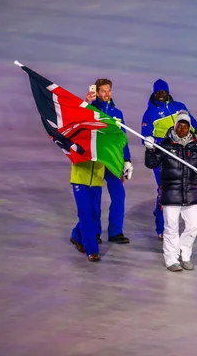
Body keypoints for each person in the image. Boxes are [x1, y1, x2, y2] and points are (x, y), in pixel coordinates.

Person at [144, 111, 197, 271]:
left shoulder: (196, 147)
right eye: (179, 126)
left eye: (185, 126)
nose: (182, 129)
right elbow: (151, 163)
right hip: (171, 193)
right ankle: (171, 259)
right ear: (175, 126)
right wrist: (149, 150)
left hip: (191, 193)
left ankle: (184, 252)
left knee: (194, 225)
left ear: (189, 129)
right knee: (171, 227)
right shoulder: (166, 145)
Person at [141, 79, 197, 240]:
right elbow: (145, 137)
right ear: (154, 93)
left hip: (181, 154)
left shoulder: (179, 106)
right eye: (158, 92)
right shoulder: (149, 114)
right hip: (162, 156)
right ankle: (160, 227)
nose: (161, 95)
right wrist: (153, 142)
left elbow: (189, 119)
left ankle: (168, 216)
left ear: (168, 92)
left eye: (164, 91)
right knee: (164, 191)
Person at [89, 78, 132, 245]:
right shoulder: (91, 110)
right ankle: (95, 232)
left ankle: (115, 232)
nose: (106, 94)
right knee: (95, 197)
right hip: (98, 159)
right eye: (103, 91)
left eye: (109, 91)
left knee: (119, 195)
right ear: (97, 92)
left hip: (113, 161)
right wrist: (89, 103)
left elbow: (123, 139)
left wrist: (127, 160)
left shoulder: (117, 114)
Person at [69, 90, 105, 262]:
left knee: (94, 213)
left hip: (97, 176)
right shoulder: (79, 126)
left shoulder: (105, 127)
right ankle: (92, 249)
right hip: (80, 177)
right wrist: (85, 103)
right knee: (85, 213)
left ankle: (76, 234)